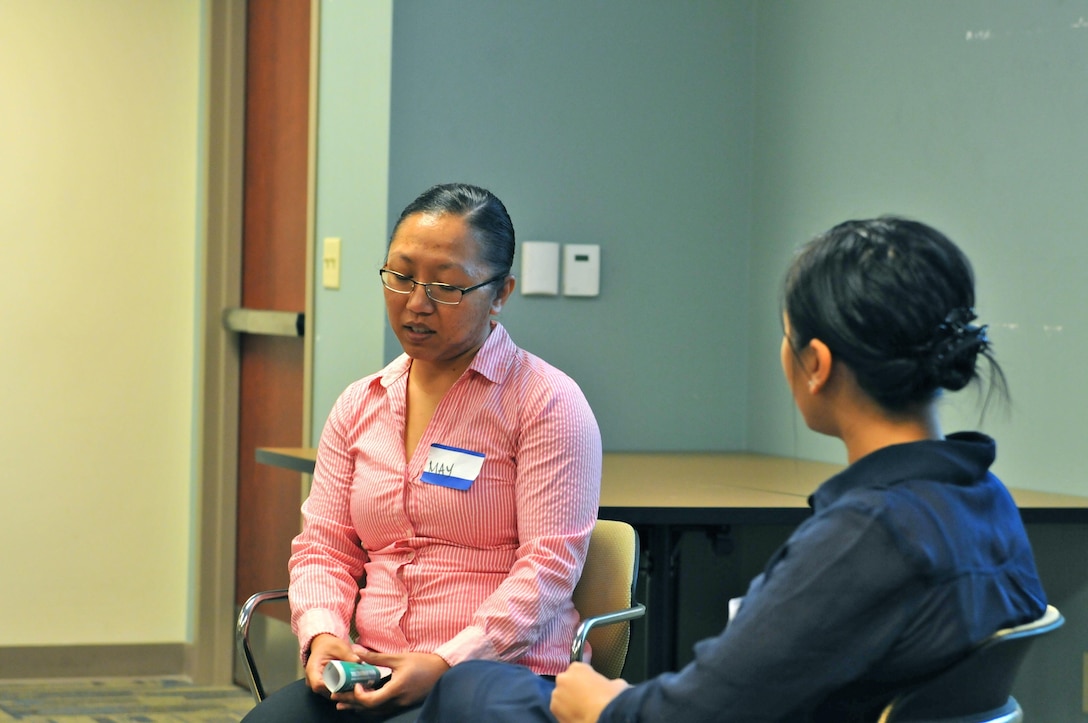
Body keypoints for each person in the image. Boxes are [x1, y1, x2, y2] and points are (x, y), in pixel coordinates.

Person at [416, 216, 1048, 722]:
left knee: (472, 690)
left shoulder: (867, 535)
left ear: (817, 364)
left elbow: (697, 711)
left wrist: (602, 709)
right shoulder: (983, 500)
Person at [241, 183, 602, 723]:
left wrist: (445, 661)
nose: (416, 304)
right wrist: (323, 635)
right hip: (372, 668)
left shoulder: (546, 403)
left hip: (500, 675)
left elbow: (547, 568)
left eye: (446, 287)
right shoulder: (360, 403)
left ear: (500, 292)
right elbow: (325, 547)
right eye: (402, 277)